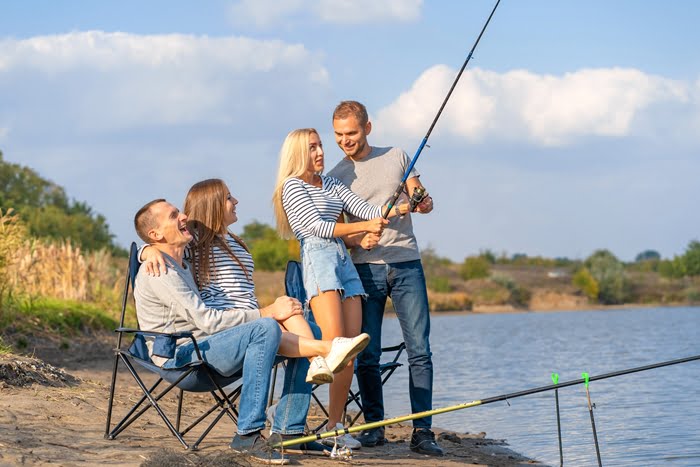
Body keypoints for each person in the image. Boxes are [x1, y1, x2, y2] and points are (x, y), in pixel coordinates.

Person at [138, 181, 369, 455]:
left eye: (180, 212)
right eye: (174, 215)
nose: (184, 216)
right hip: (182, 358)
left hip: (207, 346)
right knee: (265, 328)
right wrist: (147, 249)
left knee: (310, 329)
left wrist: (148, 249)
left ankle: (288, 428)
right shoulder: (163, 270)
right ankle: (247, 434)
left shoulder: (180, 261)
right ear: (155, 233)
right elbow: (207, 321)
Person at [272, 128, 409, 449]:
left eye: (320, 146)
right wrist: (362, 228)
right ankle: (285, 411)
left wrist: (400, 207)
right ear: (297, 153)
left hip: (343, 261)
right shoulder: (292, 186)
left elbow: (369, 211)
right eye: (313, 148)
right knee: (334, 345)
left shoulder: (331, 183)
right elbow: (315, 227)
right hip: (318, 258)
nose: (320, 152)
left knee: (349, 352)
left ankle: (335, 426)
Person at [327, 101, 443, 456]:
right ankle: (374, 428)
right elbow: (336, 231)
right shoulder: (333, 177)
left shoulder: (397, 156)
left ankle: (422, 432)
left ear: (368, 128)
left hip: (406, 262)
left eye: (352, 133)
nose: (345, 141)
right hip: (365, 269)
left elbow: (424, 199)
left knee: (419, 350)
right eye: (339, 135)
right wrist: (359, 237)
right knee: (367, 353)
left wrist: (421, 200)